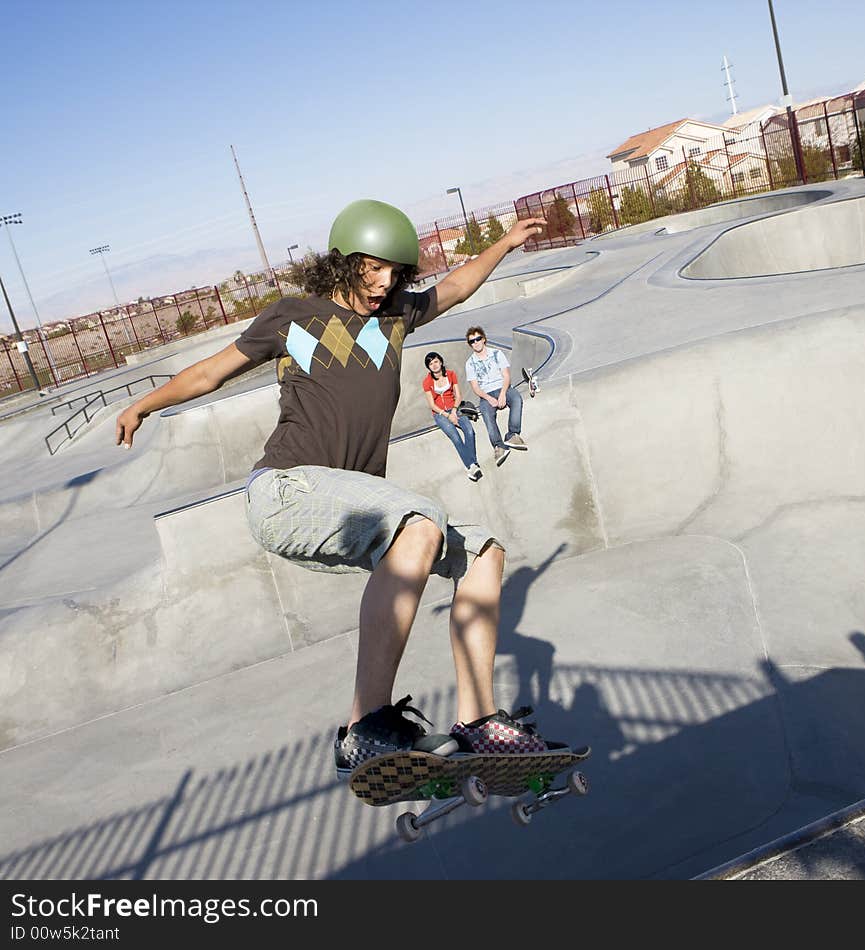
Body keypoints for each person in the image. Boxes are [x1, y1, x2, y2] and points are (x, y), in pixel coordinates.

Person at [115, 198, 566, 776]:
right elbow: (210, 372)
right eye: (372, 268)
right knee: (420, 521)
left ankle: (477, 722)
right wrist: (144, 406)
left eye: (395, 273)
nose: (384, 283)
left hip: (349, 503)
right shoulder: (294, 316)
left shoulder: (397, 316)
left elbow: (454, 288)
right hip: (286, 490)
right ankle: (364, 727)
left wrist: (501, 245)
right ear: (345, 261)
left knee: (482, 552)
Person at [464, 325, 527, 466]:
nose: (476, 343)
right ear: (470, 345)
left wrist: (503, 394)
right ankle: (499, 446)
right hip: (485, 393)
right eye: (472, 341)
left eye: (478, 339)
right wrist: (489, 398)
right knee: (486, 414)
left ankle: (512, 434)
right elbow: (475, 387)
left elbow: (506, 376)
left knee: (516, 398)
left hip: (502, 386)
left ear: (484, 339)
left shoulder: (497, 354)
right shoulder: (470, 363)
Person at [422, 350, 481, 482]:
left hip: (455, 407)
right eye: (431, 364)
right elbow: (432, 405)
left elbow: (458, 395)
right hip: (440, 414)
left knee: (469, 431)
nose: (434, 365)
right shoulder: (427, 382)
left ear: (441, 361)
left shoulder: (451, 374)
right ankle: (471, 465)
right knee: (455, 437)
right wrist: (447, 416)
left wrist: (454, 411)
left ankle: (472, 463)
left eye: (436, 361)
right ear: (429, 367)